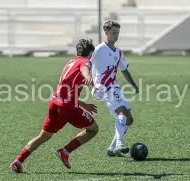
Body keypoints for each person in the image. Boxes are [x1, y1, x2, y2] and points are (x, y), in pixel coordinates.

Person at [10, 39, 98, 173]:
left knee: (43, 136)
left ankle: (17, 162)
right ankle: (64, 151)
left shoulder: (70, 62)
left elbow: (66, 92)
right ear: (90, 53)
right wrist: (88, 77)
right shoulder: (85, 62)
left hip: (55, 103)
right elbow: (85, 68)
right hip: (67, 107)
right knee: (93, 129)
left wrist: (83, 104)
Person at [90, 21, 139, 157]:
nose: (116, 35)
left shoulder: (118, 52)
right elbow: (86, 64)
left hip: (115, 87)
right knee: (122, 112)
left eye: (117, 32)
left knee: (129, 119)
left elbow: (124, 70)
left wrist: (134, 85)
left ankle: (112, 148)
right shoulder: (99, 49)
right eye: (113, 32)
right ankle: (119, 144)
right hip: (103, 88)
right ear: (106, 33)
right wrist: (89, 81)